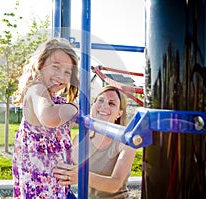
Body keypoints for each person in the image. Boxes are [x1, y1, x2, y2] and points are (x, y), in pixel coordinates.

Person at [12, 38, 80, 199]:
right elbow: (49, 117)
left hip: (51, 183)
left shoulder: (51, 97)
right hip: (40, 187)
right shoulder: (37, 90)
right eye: (55, 67)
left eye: (67, 71)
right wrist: (74, 107)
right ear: (40, 65)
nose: (61, 75)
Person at [53, 85, 137, 199]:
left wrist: (82, 176)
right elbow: (68, 169)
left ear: (119, 113)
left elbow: (115, 184)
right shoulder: (80, 138)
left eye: (111, 103)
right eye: (100, 100)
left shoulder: (125, 142)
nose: (104, 106)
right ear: (93, 105)